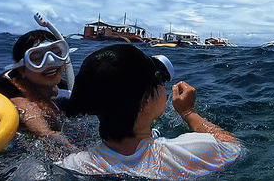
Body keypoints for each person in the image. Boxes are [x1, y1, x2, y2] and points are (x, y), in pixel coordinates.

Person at [59, 44, 243, 179]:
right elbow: (234, 146)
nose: (164, 86)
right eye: (159, 80)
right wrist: (189, 113)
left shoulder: (73, 165)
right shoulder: (193, 151)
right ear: (146, 99)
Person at [0, 30, 76, 151]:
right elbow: (45, 134)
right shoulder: (21, 101)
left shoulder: (60, 93)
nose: (51, 61)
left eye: (57, 53)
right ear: (22, 70)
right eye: (36, 58)